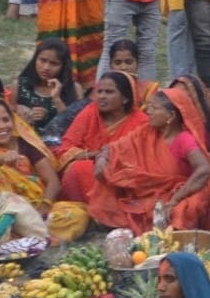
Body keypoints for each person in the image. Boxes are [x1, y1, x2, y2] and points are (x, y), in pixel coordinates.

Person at [88, 84, 210, 236]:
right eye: (149, 107)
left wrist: (175, 199)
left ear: (171, 116)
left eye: (154, 108)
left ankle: (175, 236)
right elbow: (114, 147)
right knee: (115, 186)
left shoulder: (184, 140)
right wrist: (102, 159)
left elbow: (204, 169)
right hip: (149, 193)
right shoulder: (145, 132)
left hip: (179, 193)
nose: (148, 111)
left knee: (187, 207)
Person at [56, 71, 147, 202]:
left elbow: (144, 159)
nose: (102, 96)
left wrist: (108, 158)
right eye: (99, 92)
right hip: (87, 173)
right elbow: (65, 150)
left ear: (126, 98)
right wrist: (96, 155)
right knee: (77, 169)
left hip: (123, 178)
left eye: (109, 92)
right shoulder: (90, 112)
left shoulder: (141, 122)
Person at [0, 96, 60, 209]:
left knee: (73, 213)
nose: (2, 126)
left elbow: (52, 181)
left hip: (35, 205)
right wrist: (0, 159)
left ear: (13, 120)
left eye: (6, 120)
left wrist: (44, 207)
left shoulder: (24, 143)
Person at [14, 37, 79, 138]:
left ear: (63, 66)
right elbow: (8, 118)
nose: (46, 67)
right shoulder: (19, 85)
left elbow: (75, 127)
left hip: (59, 143)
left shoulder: (74, 89)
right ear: (35, 59)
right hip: (26, 142)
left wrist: (57, 99)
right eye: (42, 60)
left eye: (54, 63)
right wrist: (21, 115)